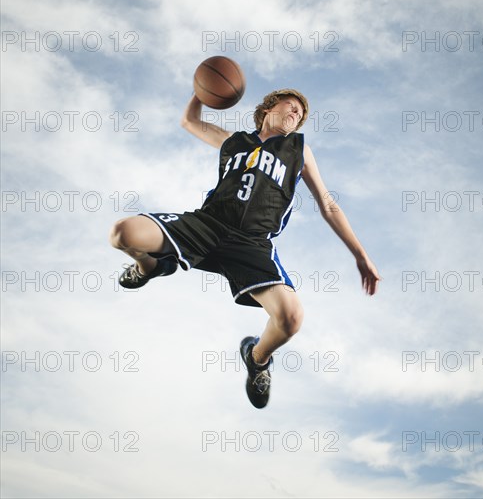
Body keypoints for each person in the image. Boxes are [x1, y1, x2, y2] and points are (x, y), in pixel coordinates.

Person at [109, 88, 381, 409]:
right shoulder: (234, 141)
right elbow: (189, 121)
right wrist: (202, 90)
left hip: (252, 244)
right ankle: (150, 266)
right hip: (207, 225)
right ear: (268, 108)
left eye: (300, 114)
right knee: (122, 234)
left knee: (291, 318)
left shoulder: (298, 150)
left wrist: (360, 255)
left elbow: (328, 204)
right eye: (290, 106)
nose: (296, 114)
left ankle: (257, 358)